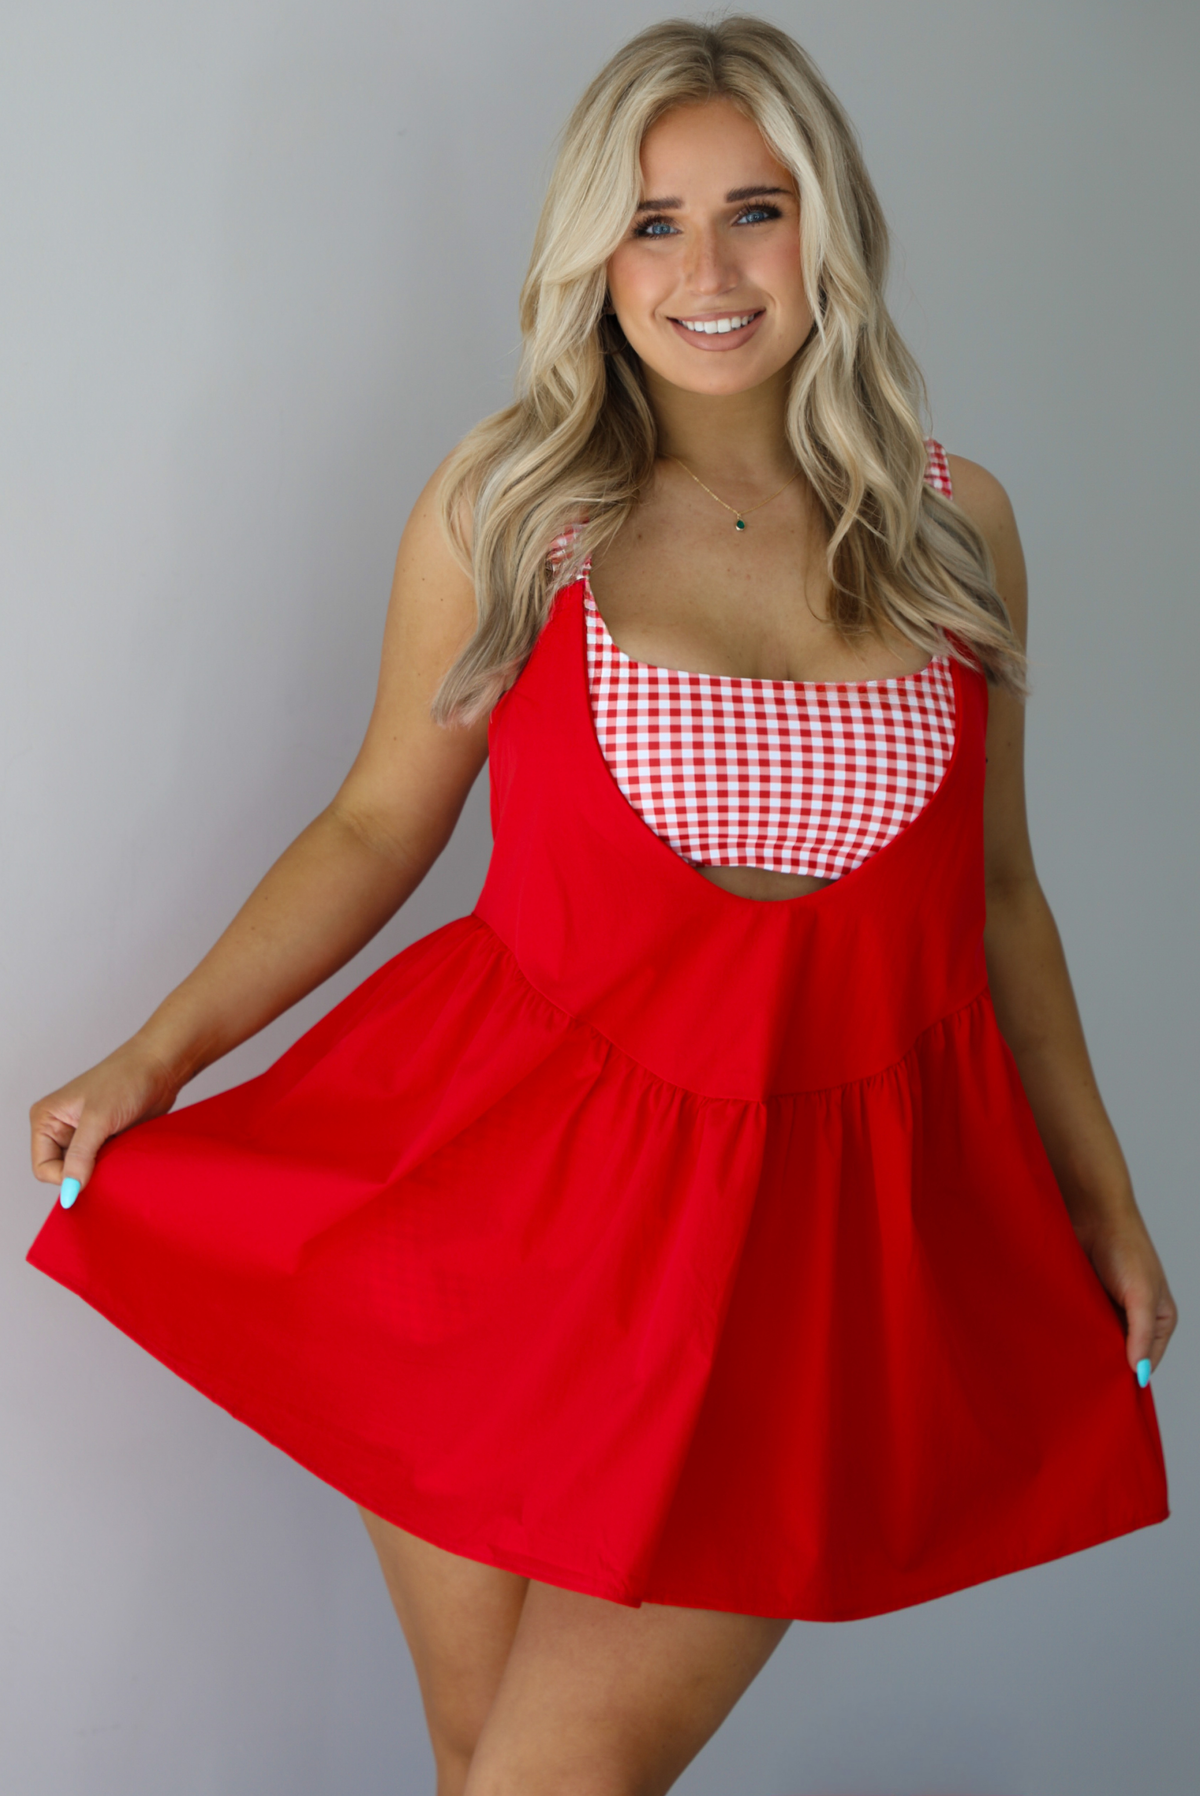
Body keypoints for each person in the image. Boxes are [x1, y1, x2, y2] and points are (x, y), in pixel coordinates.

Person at [27, 16, 1175, 1796]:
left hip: (799, 1258)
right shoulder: (515, 511)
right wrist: (150, 1059)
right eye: (652, 224)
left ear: (833, 229)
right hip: (495, 1223)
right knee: (496, 1773)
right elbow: (372, 830)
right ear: (591, 254)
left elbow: (1002, 901)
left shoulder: (960, 533)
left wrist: (1103, 1200)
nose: (707, 271)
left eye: (755, 210)